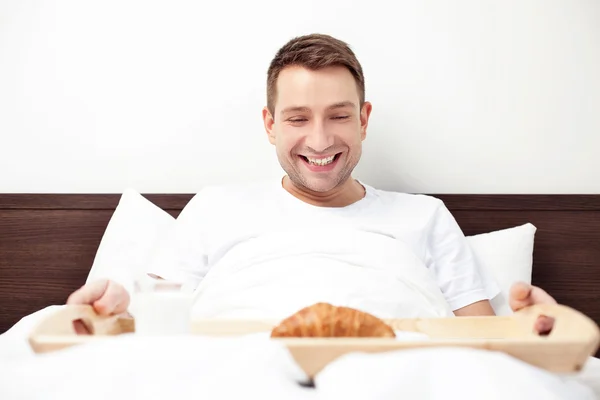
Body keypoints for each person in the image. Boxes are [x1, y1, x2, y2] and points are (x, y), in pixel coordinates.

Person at [66, 33, 557, 331]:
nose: (319, 140)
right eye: (298, 118)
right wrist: (112, 308)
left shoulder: (424, 216)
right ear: (269, 123)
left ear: (364, 119)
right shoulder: (214, 209)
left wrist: (534, 329)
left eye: (338, 116)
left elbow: (482, 340)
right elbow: (153, 321)